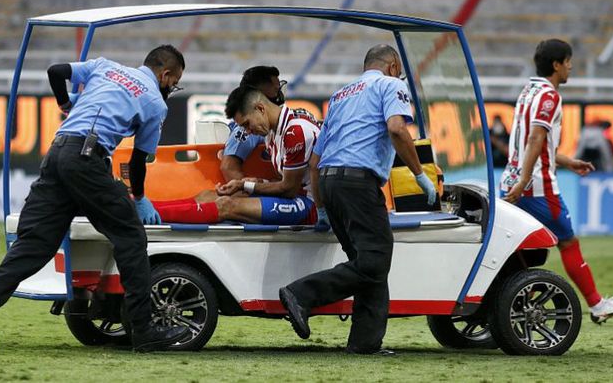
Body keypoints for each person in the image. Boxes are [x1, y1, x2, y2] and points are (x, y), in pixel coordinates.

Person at [0, 45, 190, 353]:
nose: (172, 88)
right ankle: (143, 330)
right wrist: (140, 197)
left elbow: (56, 71)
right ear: (165, 74)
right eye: (175, 82)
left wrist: (65, 103)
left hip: (57, 153)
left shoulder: (106, 66)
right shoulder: (155, 103)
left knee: (36, 243)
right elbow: (136, 161)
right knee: (131, 237)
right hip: (87, 160)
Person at [278, 44, 437, 356]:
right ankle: (301, 294)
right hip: (358, 182)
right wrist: (419, 174)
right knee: (375, 260)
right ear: (393, 66)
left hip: (329, 181)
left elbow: (315, 161)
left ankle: (365, 344)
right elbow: (397, 129)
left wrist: (321, 207)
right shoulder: (390, 84)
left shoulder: (340, 95)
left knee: (368, 265)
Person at [501, 39, 613, 324]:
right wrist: (525, 180)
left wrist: (567, 161)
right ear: (556, 65)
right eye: (568, 61)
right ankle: (597, 305)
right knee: (568, 242)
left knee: (517, 247)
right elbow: (535, 138)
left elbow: (531, 142)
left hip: (510, 180)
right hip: (537, 186)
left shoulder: (528, 90)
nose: (571, 67)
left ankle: (505, 301)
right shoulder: (549, 97)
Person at [149, 86, 321, 226]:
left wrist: (245, 185)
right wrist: (252, 183)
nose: (248, 131)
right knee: (207, 196)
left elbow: (288, 189)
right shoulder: (272, 130)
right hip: (294, 195)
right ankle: (148, 208)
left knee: (226, 205)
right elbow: (285, 182)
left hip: (310, 205)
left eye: (247, 124)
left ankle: (150, 217)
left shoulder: (294, 132)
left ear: (260, 109)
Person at [220, 66, 286, 182]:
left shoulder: (280, 123)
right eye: (276, 90)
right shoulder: (247, 129)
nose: (279, 95)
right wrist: (250, 190)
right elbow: (229, 168)